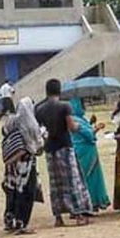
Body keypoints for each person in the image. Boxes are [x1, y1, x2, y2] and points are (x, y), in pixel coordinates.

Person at [35, 79, 92, 227]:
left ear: (46, 91)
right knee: (72, 181)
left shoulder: (40, 109)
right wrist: (81, 126)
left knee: (56, 184)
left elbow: (40, 131)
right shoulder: (64, 106)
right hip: (65, 147)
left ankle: (58, 217)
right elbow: (72, 127)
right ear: (59, 91)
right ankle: (78, 214)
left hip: (50, 149)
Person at [1, 97, 43, 234]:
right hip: (25, 165)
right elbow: (38, 147)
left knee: (11, 192)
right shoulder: (31, 125)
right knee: (26, 193)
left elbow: (4, 133)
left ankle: (9, 219)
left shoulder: (11, 121)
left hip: (11, 166)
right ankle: (21, 223)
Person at [69, 97, 110, 213]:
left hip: (84, 151)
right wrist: (96, 128)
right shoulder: (75, 120)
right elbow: (88, 134)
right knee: (88, 179)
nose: (84, 107)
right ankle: (89, 203)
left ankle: (90, 203)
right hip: (85, 152)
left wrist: (91, 124)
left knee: (86, 178)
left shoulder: (79, 119)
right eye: (82, 104)